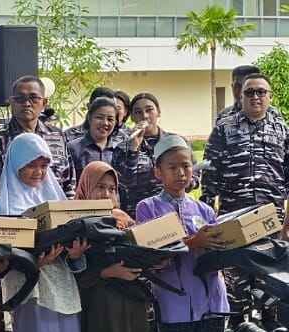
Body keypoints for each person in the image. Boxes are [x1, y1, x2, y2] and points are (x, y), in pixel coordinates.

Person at [0, 133, 90, 332]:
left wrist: (75, 253)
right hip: (30, 292)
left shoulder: (56, 199)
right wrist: (34, 262)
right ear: (15, 164)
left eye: (44, 165)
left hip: (63, 290)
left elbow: (74, 256)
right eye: (31, 165)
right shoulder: (0, 204)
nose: (39, 172)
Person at [136, 135, 229, 332]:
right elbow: (150, 254)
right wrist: (192, 243)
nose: (181, 173)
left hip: (212, 303)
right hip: (174, 305)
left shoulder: (204, 209)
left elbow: (218, 249)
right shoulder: (148, 208)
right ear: (158, 172)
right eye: (173, 167)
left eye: (186, 166)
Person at [75, 161, 160, 332]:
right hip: (102, 312)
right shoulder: (74, 222)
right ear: (86, 187)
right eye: (100, 187)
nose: (106, 194)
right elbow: (72, 278)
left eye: (112, 189)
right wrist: (108, 272)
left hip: (132, 308)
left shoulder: (124, 220)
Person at [201, 73, 289, 220]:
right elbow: (209, 174)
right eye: (249, 92)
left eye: (261, 92)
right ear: (241, 97)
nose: (255, 96)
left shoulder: (282, 130)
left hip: (272, 214)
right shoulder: (223, 128)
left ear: (270, 96)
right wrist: (207, 214)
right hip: (233, 213)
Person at [0, 75, 74, 200]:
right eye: (20, 99)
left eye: (33, 98)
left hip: (56, 208)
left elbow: (69, 182)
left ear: (44, 103)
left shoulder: (57, 136)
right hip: (14, 209)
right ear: (11, 102)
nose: (27, 104)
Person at [113, 93, 185, 218]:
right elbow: (122, 184)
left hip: (172, 212)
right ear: (132, 117)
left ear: (158, 112)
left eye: (149, 110)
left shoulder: (175, 142)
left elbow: (193, 177)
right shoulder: (122, 147)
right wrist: (133, 150)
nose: (144, 116)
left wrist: (181, 180)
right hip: (136, 215)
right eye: (138, 112)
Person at [67, 97, 125, 182]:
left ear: (116, 122)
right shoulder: (73, 148)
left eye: (110, 119)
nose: (105, 123)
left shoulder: (119, 150)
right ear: (89, 118)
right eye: (99, 117)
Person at [215, 65, 283, 124]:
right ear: (232, 87)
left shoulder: (273, 113)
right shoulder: (224, 115)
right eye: (238, 86)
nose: (241, 91)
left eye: (248, 87)